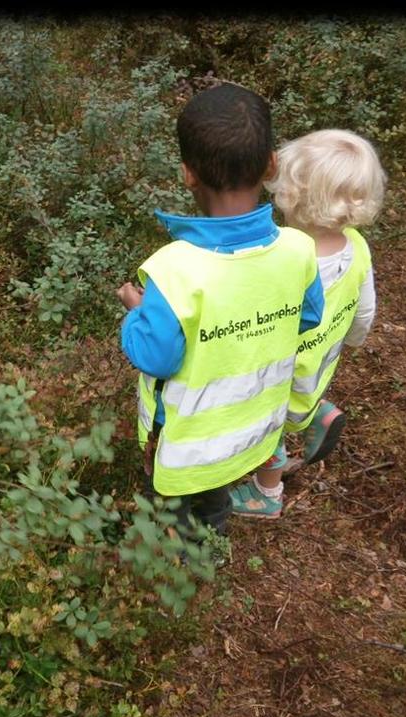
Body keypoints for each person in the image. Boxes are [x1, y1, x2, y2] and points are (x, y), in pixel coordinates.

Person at [116, 82, 325, 538]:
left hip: (188, 448)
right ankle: (212, 536)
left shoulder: (173, 270)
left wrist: (136, 312)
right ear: (271, 164)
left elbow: (155, 356)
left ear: (188, 174)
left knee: (181, 505)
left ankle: (180, 556)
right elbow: (306, 318)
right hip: (255, 432)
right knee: (213, 507)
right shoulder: (299, 250)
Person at [229, 128, 384, 517]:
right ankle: (316, 412)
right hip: (321, 359)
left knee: (270, 434)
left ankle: (267, 494)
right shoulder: (358, 247)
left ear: (293, 193)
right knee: (304, 394)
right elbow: (364, 312)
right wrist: (351, 342)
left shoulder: (283, 255)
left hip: (279, 375)